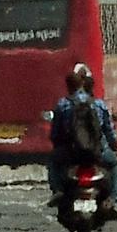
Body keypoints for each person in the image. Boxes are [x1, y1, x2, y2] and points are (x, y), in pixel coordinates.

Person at [82, 72, 117, 219]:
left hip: (74, 154)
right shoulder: (99, 105)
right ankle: (113, 200)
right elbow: (108, 130)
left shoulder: (66, 104)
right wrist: (115, 143)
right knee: (116, 168)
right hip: (98, 153)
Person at [46, 71, 89, 200]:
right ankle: (114, 197)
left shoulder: (62, 104)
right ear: (81, 84)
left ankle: (57, 190)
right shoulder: (95, 102)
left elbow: (54, 133)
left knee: (53, 162)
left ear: (68, 86)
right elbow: (106, 128)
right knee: (114, 164)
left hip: (69, 151)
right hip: (93, 151)